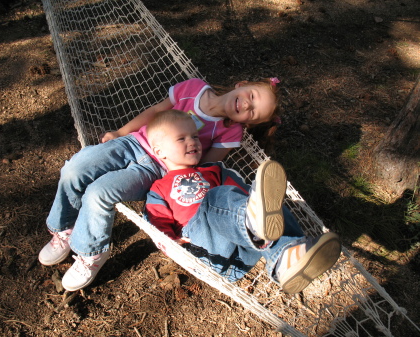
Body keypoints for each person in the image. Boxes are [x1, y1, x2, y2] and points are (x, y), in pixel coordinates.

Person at [38, 77, 282, 292]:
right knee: (73, 170)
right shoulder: (194, 88)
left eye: (253, 113)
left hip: (156, 170)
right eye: (252, 96)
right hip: (132, 143)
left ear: (248, 123)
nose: (247, 105)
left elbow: (204, 170)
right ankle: (64, 228)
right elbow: (155, 111)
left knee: (98, 192)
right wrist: (121, 132)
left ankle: (91, 252)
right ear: (242, 84)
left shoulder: (230, 133)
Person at [145, 110, 341, 294]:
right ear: (160, 151)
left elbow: (250, 198)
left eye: (195, 136)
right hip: (206, 249)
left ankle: (286, 257)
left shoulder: (215, 170)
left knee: (266, 201)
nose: (193, 142)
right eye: (182, 138)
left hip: (244, 247)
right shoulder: (159, 188)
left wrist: (254, 203)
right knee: (215, 197)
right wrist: (172, 244)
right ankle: (252, 220)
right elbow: (156, 223)